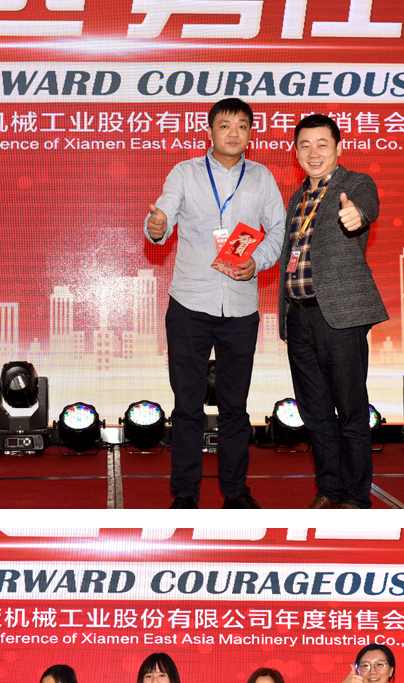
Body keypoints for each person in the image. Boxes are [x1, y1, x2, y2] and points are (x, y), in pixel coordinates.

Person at [144, 96, 286, 509]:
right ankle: (185, 493)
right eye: (225, 125)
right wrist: (156, 227)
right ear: (210, 131)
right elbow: (161, 220)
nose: (233, 133)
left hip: (240, 307)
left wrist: (258, 261)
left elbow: (278, 231)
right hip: (190, 303)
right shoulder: (185, 172)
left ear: (250, 133)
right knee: (187, 406)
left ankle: (236, 491)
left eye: (242, 126)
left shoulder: (262, 178)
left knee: (235, 407)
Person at [279, 114, 389, 509]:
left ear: (338, 148)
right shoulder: (296, 199)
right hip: (299, 316)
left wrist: (357, 214)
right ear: (296, 152)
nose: (314, 153)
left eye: (322, 144)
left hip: (339, 318)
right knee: (315, 413)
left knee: (351, 411)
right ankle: (329, 489)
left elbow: (366, 205)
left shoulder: (354, 184)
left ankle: (356, 497)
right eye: (305, 145)